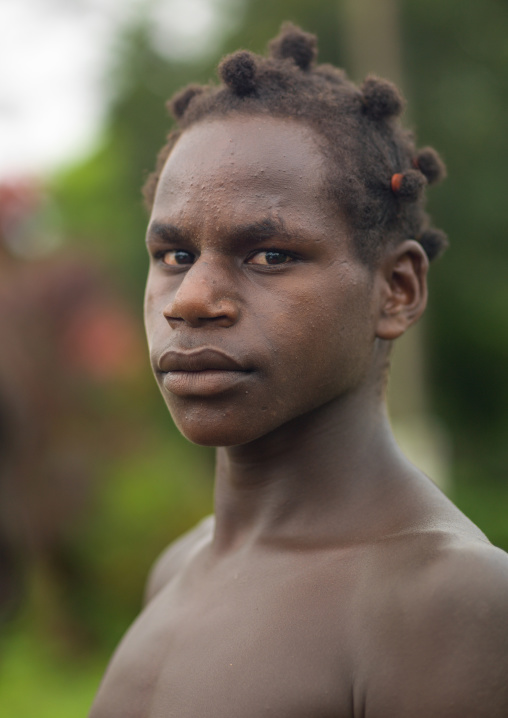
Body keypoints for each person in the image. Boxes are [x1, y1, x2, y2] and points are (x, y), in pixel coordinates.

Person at [89, 24, 508, 717]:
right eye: (174, 255)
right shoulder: (177, 568)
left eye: (270, 255)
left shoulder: (450, 602)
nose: (191, 300)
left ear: (396, 289)